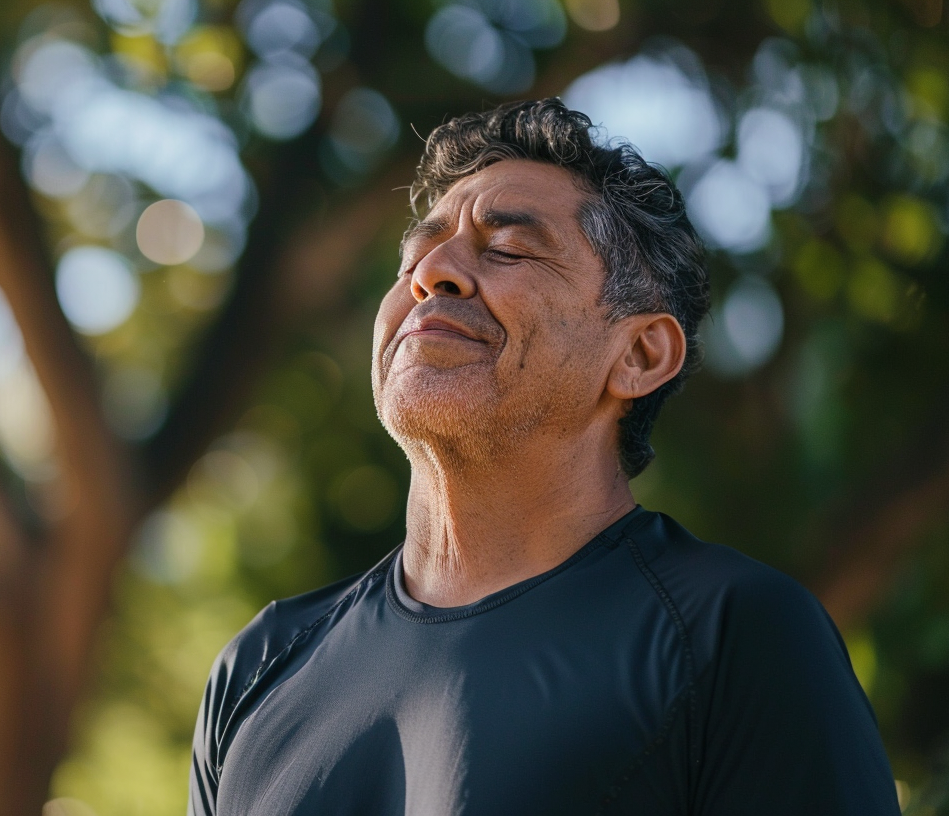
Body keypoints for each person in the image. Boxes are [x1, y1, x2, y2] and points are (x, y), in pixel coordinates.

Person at [188, 99, 901, 815]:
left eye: (508, 249)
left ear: (639, 355)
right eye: (415, 255)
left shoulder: (735, 636)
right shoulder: (261, 662)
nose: (432, 275)